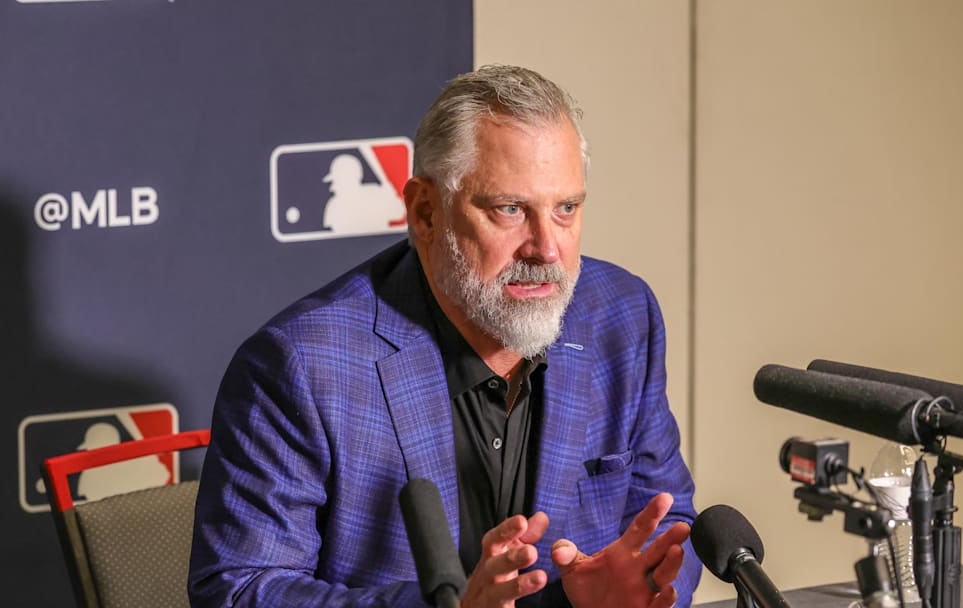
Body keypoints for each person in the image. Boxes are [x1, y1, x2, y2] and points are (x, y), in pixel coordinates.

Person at [190, 64, 701, 607]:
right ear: (425, 212)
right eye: (510, 209)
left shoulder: (620, 317)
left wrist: (645, 581)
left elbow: (670, 521)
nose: (547, 249)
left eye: (566, 209)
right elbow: (239, 591)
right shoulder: (302, 365)